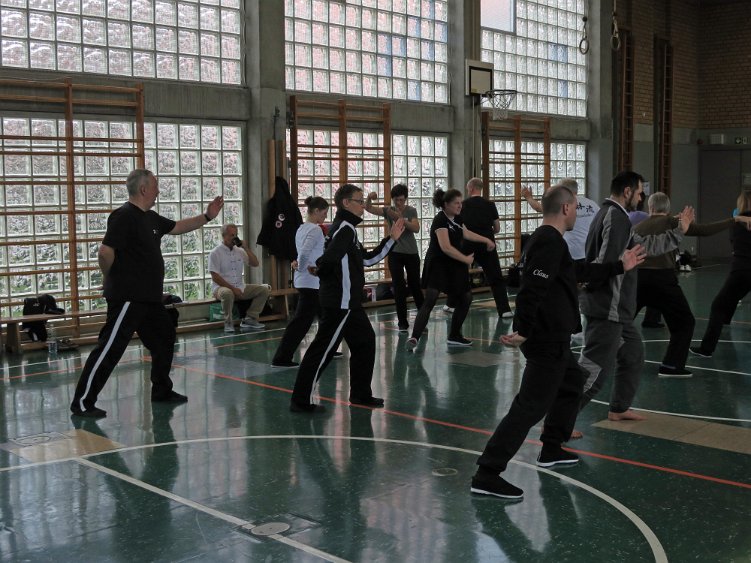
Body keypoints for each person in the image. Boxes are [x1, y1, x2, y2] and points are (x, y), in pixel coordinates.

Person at [471, 185, 646, 500]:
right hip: (545, 339)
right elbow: (531, 289)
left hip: (556, 337)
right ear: (565, 208)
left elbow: (576, 270)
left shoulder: (552, 242)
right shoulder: (548, 241)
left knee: (573, 382)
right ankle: (487, 473)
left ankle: (551, 448)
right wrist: (523, 329)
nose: (578, 213)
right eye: (576, 207)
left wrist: (620, 265)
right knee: (530, 406)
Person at [70, 169, 224, 418]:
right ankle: (83, 402)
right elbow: (105, 252)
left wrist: (207, 216)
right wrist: (110, 277)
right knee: (110, 348)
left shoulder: (150, 218)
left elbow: (177, 227)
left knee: (164, 338)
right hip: (128, 298)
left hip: (149, 300)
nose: (158, 190)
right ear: (143, 189)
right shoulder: (123, 216)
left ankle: (161, 390)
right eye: (155, 186)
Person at [578, 171, 694, 424]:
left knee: (633, 355)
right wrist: (594, 292)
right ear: (627, 191)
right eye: (640, 193)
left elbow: (644, 247)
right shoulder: (615, 217)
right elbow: (604, 264)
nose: (641, 198)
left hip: (617, 309)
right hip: (608, 307)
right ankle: (557, 421)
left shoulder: (615, 216)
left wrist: (678, 232)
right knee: (593, 371)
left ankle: (619, 408)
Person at [290, 184, 405, 413]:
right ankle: (300, 400)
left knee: (365, 341)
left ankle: (361, 394)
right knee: (323, 350)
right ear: (346, 203)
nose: (363, 206)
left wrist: (391, 239)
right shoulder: (344, 229)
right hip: (340, 302)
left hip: (349, 302)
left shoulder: (346, 229)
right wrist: (320, 269)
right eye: (359, 201)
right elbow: (330, 258)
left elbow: (366, 260)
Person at [634, 192, 751, 376]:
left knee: (621, 322)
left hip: (636, 279)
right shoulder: (673, 223)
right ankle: (672, 366)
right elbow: (705, 230)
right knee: (684, 323)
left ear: (650, 207)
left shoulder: (637, 226)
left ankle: (607, 357)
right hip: (663, 280)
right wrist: (733, 220)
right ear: (668, 208)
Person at [407, 188, 496, 350]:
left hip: (454, 263)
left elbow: (466, 233)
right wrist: (466, 259)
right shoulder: (440, 220)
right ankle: (414, 337)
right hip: (438, 263)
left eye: (460, 203)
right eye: (456, 203)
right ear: (446, 204)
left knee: (466, 298)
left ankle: (454, 335)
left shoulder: (458, 218)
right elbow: (446, 247)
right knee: (431, 299)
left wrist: (486, 240)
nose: (460, 206)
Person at [271, 196, 335, 367]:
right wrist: (300, 267)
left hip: (310, 281)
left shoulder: (301, 228)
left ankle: (328, 348)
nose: (325, 216)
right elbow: (305, 252)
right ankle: (281, 357)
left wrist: (299, 265)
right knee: (301, 322)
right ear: (316, 211)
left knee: (326, 316)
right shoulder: (315, 230)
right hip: (310, 282)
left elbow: (303, 252)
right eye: (324, 213)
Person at [691, 189, 751, 358]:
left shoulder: (736, 224)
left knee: (718, 305)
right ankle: (726, 320)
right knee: (731, 298)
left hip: (741, 270)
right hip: (743, 271)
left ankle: (706, 349)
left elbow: (733, 242)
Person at [365, 184, 424, 332]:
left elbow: (416, 228)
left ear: (405, 199)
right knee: (398, 287)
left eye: (401, 200)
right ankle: (402, 323)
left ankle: (422, 320)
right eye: (396, 200)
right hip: (395, 253)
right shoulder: (388, 210)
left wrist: (400, 218)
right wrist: (369, 198)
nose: (399, 203)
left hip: (411, 252)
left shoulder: (411, 210)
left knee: (415, 286)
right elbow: (368, 208)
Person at [462, 178, 513, 318]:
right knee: (496, 277)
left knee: (459, 273)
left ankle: (452, 305)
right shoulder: (490, 205)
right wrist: (487, 233)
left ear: (471, 188)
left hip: (468, 244)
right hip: (487, 245)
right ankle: (505, 310)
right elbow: (497, 228)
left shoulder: (463, 205)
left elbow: (461, 227)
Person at [209, 224, 270, 333]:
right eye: (231, 235)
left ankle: (250, 319)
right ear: (223, 236)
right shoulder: (215, 253)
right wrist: (233, 289)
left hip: (240, 286)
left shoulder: (240, 251)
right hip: (220, 288)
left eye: (236, 235)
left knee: (264, 290)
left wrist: (246, 248)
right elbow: (215, 277)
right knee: (227, 293)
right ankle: (228, 322)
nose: (234, 237)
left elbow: (255, 263)